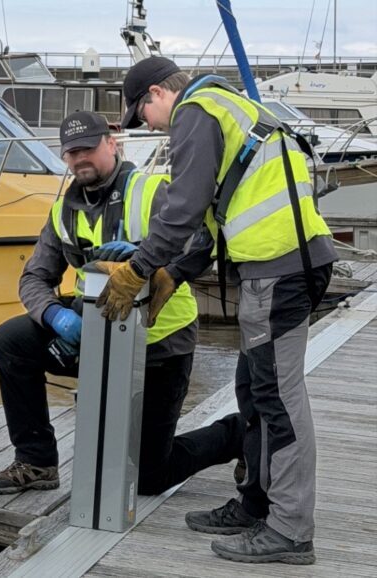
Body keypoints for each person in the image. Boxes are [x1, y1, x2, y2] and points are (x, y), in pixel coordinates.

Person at [97, 57, 336, 565]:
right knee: (254, 389)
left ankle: (290, 529)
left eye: (145, 114)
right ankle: (257, 505)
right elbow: (208, 222)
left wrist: (139, 269)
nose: (150, 127)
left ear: (159, 93)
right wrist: (171, 275)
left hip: (281, 269)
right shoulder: (226, 108)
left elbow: (182, 207)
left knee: (279, 399)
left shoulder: (196, 111)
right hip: (280, 267)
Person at [0, 111, 244, 499]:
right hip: (96, 337)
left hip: (159, 345)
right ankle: (37, 461)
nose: (78, 159)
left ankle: (238, 434)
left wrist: (146, 256)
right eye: (70, 152)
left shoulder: (153, 192)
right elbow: (34, 279)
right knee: (13, 339)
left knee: (149, 477)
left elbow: (202, 244)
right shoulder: (62, 213)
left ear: (111, 144)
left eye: (87, 148)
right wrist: (56, 317)